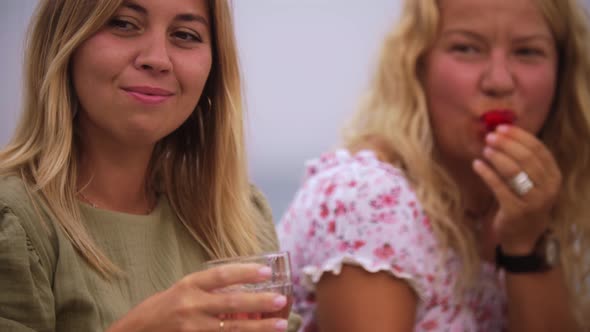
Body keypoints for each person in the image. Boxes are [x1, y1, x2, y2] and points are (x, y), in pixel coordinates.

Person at [278, 0, 590, 330]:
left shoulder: (539, 206)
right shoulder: (368, 197)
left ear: (563, 72)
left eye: (527, 52)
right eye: (467, 48)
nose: (499, 81)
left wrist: (528, 240)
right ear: (417, 65)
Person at [0, 0, 300, 331]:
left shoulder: (240, 216)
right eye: (124, 24)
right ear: (63, 41)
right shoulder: (14, 218)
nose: (156, 59)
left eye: (185, 35)